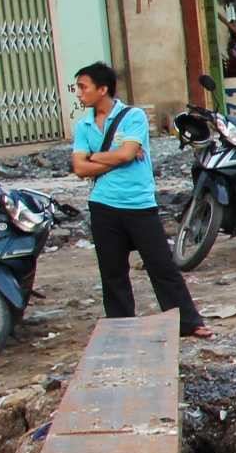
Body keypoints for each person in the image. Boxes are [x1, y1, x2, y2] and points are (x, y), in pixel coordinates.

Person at [69, 64, 209, 339]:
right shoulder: (83, 125)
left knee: (161, 267)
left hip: (138, 204)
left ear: (102, 89)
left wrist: (97, 157)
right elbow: (80, 168)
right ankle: (121, 326)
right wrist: (115, 156)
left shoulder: (133, 116)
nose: (79, 93)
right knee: (112, 272)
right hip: (103, 205)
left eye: (83, 87)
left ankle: (188, 322)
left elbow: (126, 153)